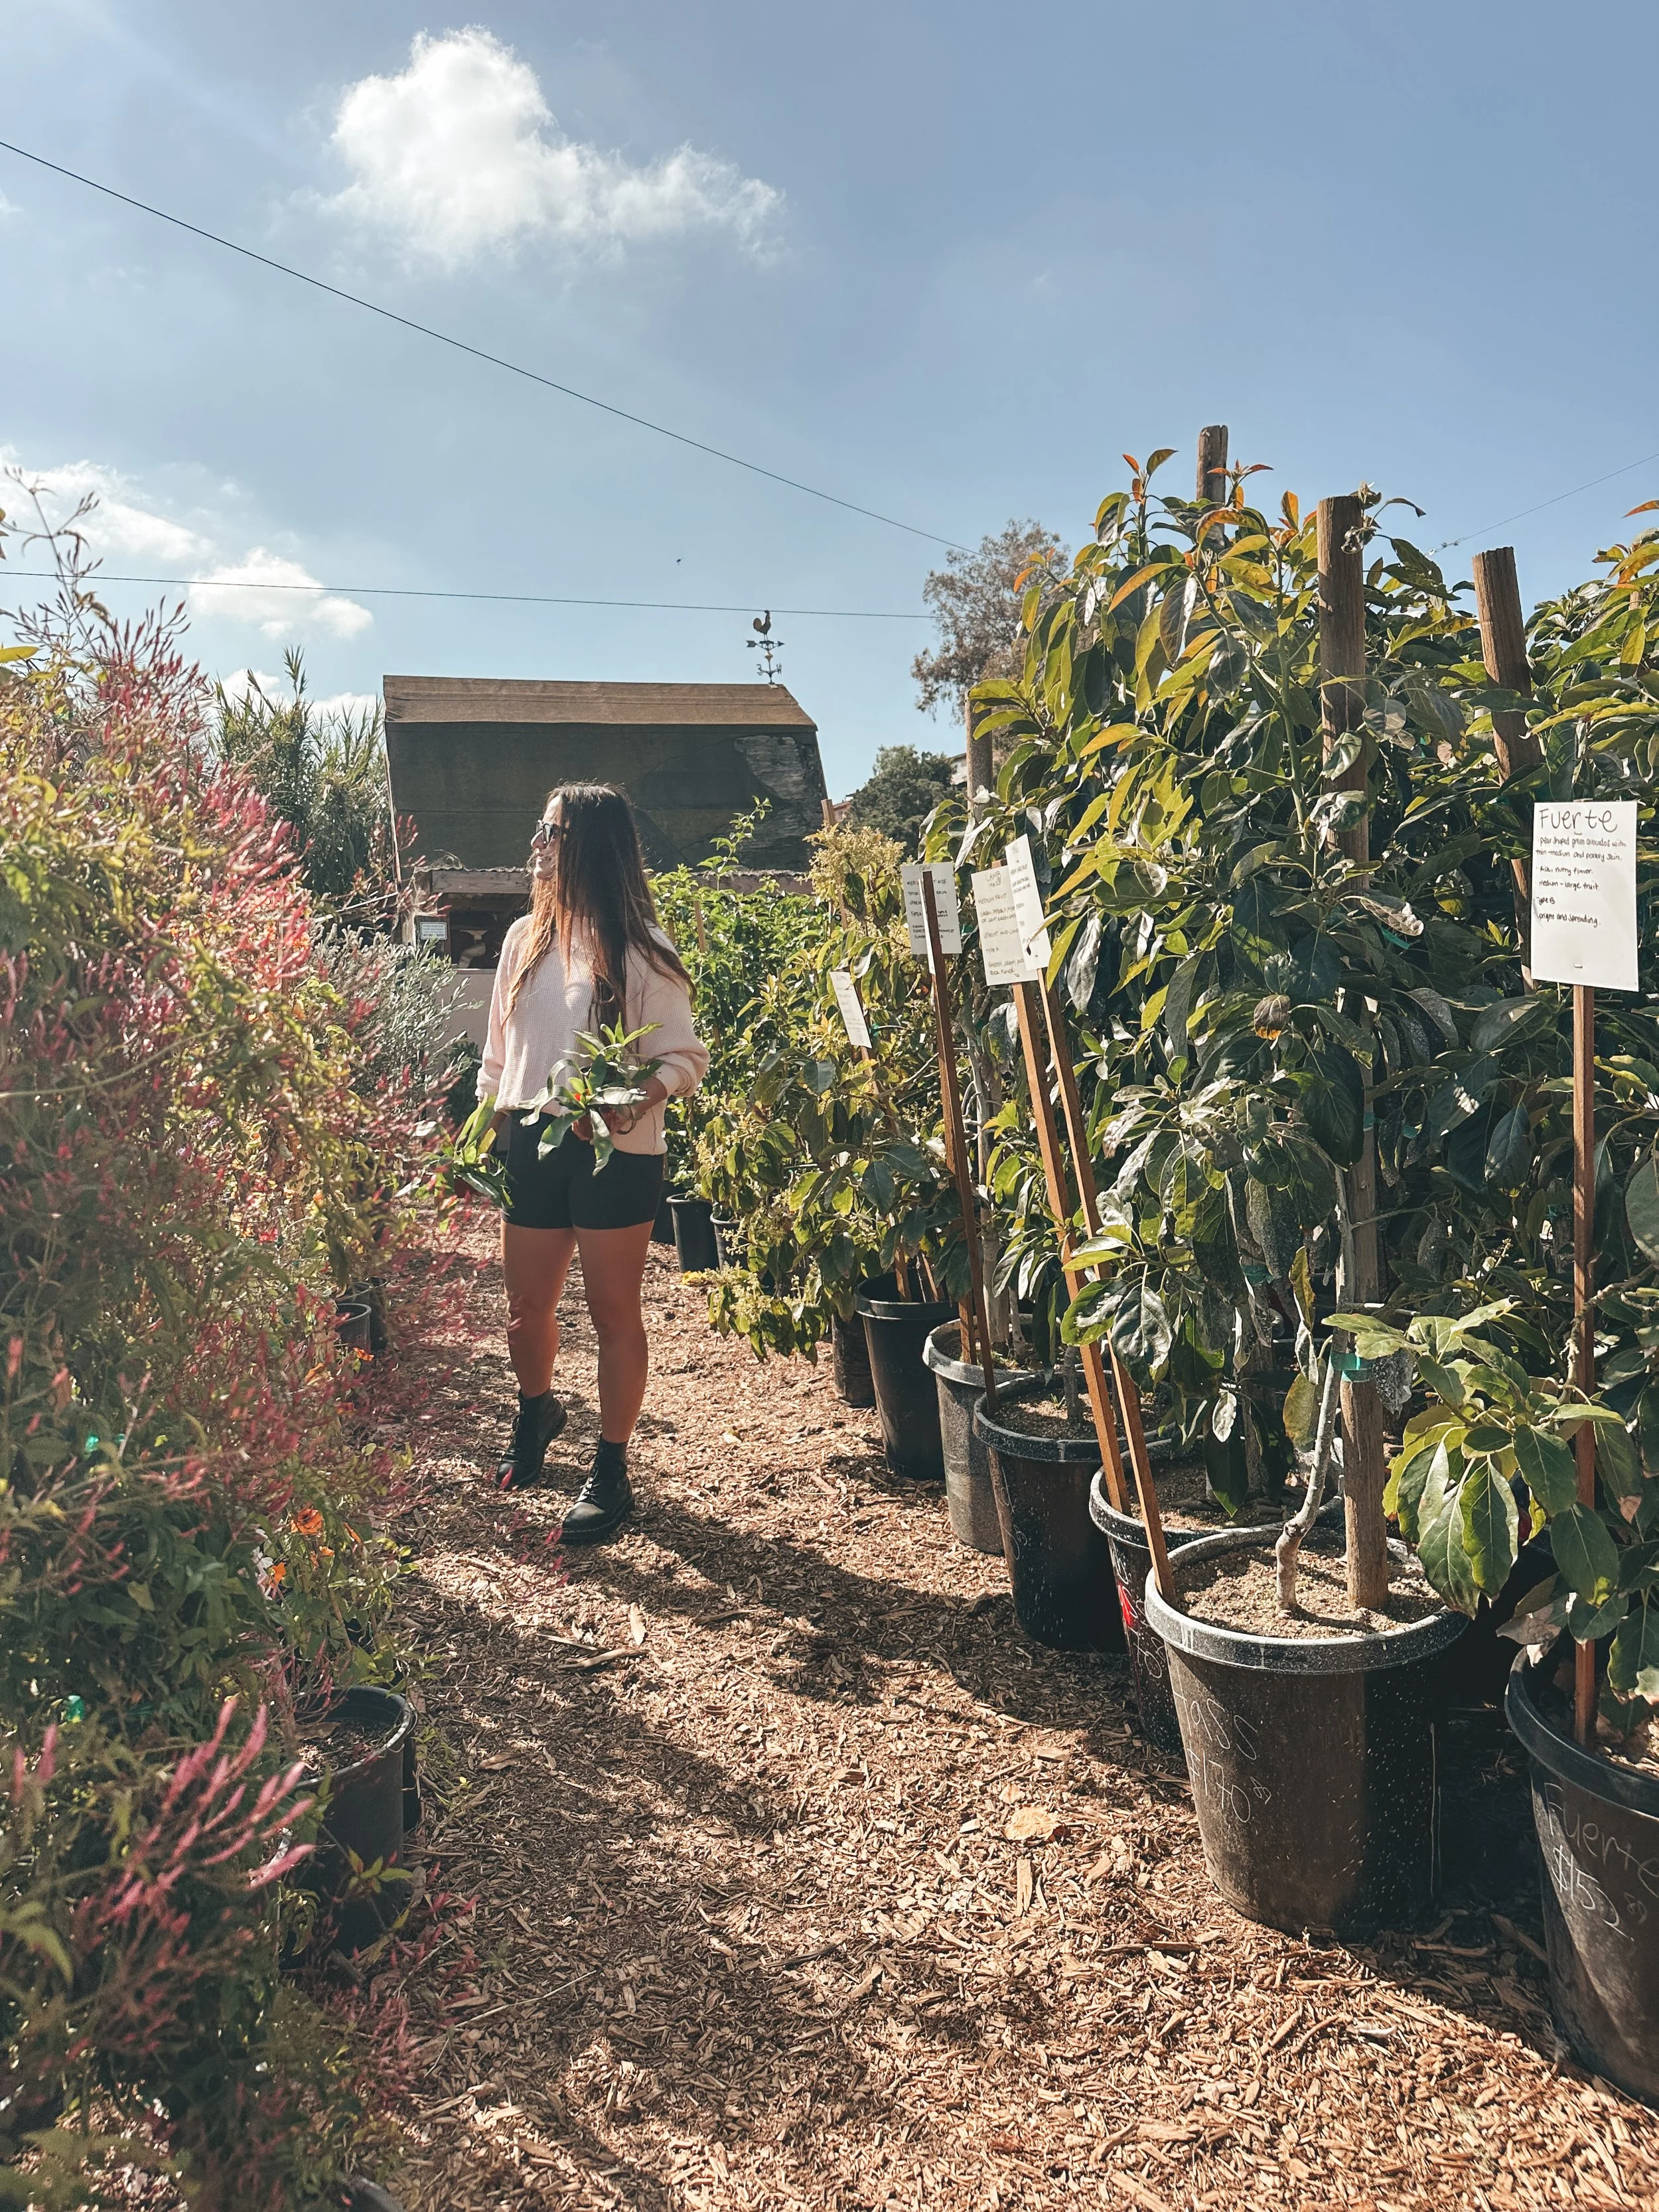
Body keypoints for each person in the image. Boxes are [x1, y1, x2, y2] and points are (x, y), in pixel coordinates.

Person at [477, 784, 708, 1542]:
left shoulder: (642, 947)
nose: (538, 841)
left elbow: (682, 1058)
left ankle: (611, 1470)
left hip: (615, 1155)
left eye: (551, 831)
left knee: (613, 1316)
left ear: (587, 847)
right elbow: (499, 1054)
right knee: (524, 1313)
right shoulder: (523, 940)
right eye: (540, 826)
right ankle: (537, 1410)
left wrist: (634, 1099)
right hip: (532, 1144)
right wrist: (486, 1122)